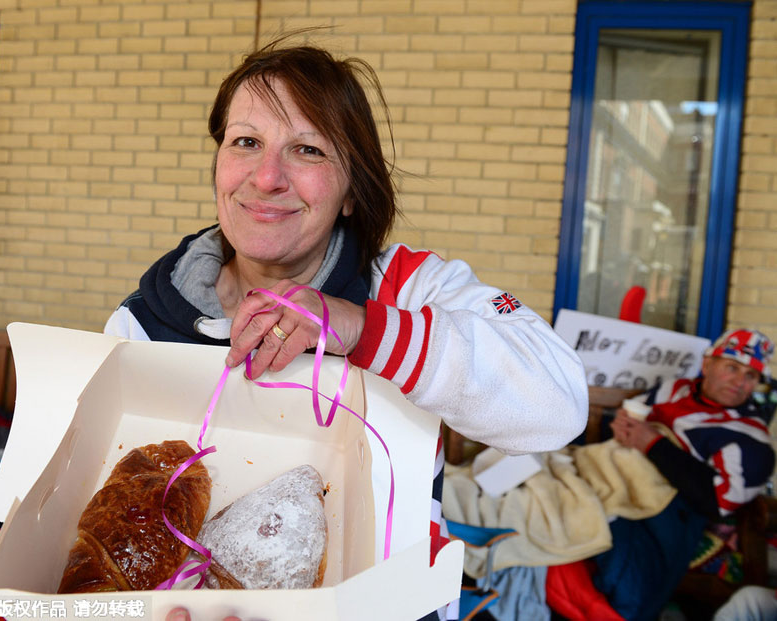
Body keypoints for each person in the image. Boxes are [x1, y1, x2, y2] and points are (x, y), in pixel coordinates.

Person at [105, 35, 588, 621]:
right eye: (246, 142)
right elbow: (117, 526)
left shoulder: (410, 287)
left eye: (307, 150)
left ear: (353, 190)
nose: (266, 177)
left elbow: (558, 406)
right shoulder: (143, 322)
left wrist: (363, 329)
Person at [592, 328, 777, 621]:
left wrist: (652, 444)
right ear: (707, 365)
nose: (740, 382)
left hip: (676, 511)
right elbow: (622, 425)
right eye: (732, 367)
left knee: (622, 557)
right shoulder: (673, 390)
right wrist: (620, 428)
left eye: (750, 376)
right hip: (615, 475)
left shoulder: (753, 441)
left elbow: (718, 503)